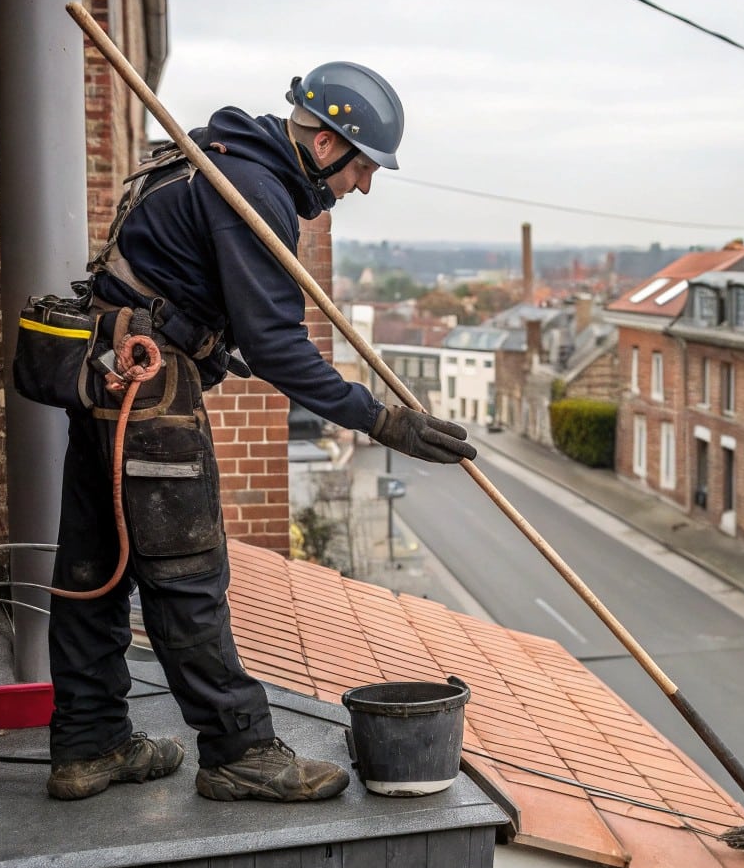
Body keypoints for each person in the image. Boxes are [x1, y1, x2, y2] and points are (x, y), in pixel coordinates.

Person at [44, 62, 476, 802]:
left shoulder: (217, 162)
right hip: (149, 390)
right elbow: (278, 346)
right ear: (327, 142)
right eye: (364, 167)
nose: (363, 187)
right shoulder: (253, 193)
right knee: (187, 579)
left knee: (96, 570)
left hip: (107, 371)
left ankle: (91, 744)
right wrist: (380, 418)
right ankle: (239, 749)